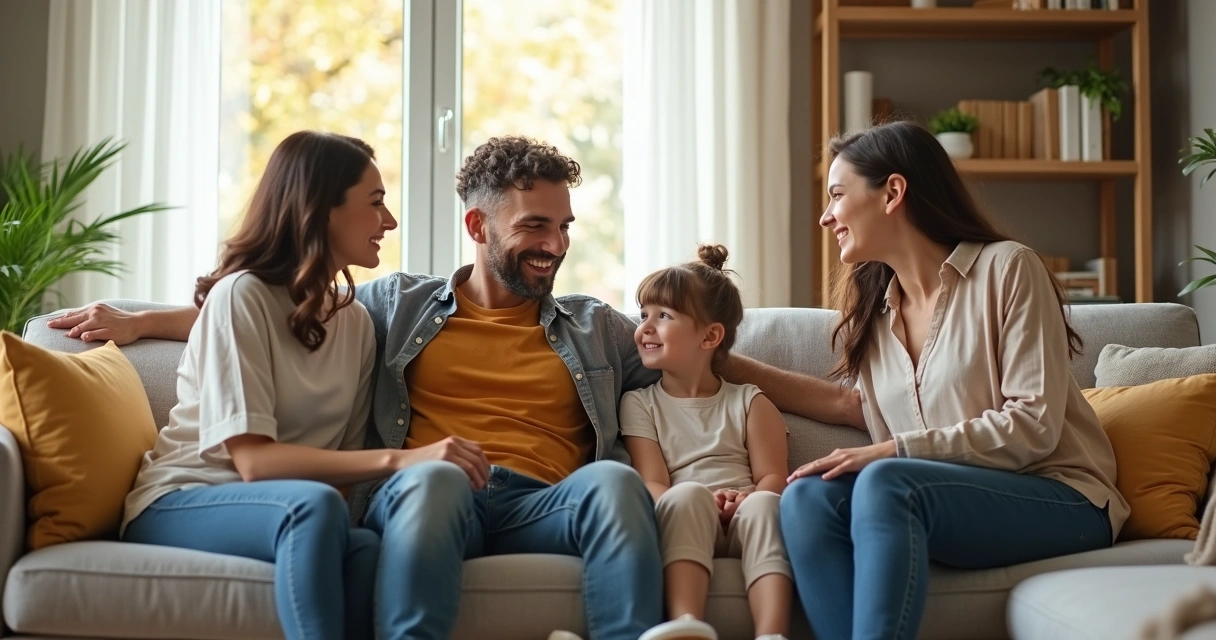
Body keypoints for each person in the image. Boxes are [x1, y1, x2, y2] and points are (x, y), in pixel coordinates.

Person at [53, 135, 863, 640]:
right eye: (535, 227)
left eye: (565, 227)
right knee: (436, 473)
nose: (555, 245)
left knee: (614, 480)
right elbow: (277, 307)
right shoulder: (391, 305)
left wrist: (812, 394)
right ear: (479, 228)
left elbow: (695, 351)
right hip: (436, 490)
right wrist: (140, 321)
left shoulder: (593, 325)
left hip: (542, 501)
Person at [778, 120, 1129, 640]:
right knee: (806, 498)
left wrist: (892, 453)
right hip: (949, 502)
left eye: (836, 195)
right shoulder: (875, 318)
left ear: (893, 191)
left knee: (886, 481)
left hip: (1061, 498)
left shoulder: (1008, 268)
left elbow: (1032, 426)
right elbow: (860, 410)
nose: (826, 216)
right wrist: (726, 364)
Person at [121, 131, 407, 640]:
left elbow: (340, 472)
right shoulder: (241, 296)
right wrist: (398, 459)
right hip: (182, 500)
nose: (390, 221)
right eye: (376, 203)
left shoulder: (357, 324)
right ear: (322, 210)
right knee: (313, 508)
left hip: (291, 508)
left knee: (364, 546)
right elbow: (254, 461)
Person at [621, 244, 793, 640]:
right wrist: (701, 498)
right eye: (644, 314)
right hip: (685, 513)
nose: (644, 327)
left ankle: (772, 634)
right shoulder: (639, 404)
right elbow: (653, 482)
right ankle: (686, 626)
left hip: (744, 515)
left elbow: (772, 477)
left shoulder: (750, 401)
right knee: (686, 497)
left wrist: (743, 500)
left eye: (663, 316)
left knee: (767, 504)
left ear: (710, 336)